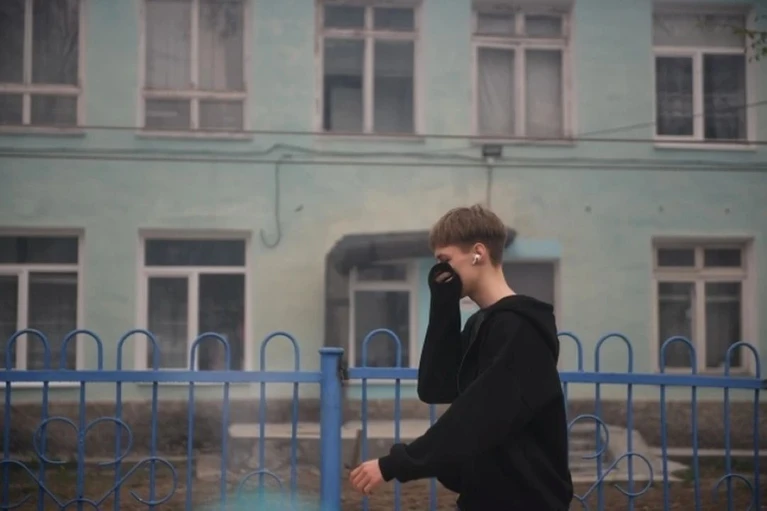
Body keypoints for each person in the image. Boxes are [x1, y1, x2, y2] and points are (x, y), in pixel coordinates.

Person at [350, 205, 573, 510]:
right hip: (482, 499)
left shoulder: (520, 329)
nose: (441, 272)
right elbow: (435, 387)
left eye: (445, 261)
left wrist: (396, 464)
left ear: (478, 253)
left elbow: (478, 414)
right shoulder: (481, 324)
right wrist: (443, 304)